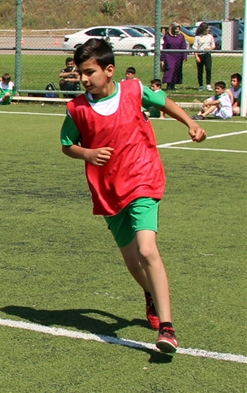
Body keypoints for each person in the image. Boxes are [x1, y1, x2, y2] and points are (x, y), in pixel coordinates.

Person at [60, 39, 206, 354]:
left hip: (142, 179)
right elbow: (66, 144)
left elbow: (164, 101)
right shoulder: (77, 109)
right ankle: (151, 293)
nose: (84, 79)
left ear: (109, 70)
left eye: (90, 72)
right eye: (80, 73)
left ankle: (167, 328)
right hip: (108, 191)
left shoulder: (134, 90)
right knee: (131, 260)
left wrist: (191, 123)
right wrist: (88, 152)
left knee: (146, 249)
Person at [161, 22, 188, 91]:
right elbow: (164, 47)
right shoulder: (167, 36)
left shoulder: (181, 36)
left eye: (178, 29)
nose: (177, 30)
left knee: (176, 70)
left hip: (178, 56)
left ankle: (173, 85)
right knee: (170, 68)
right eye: (176, 28)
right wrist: (162, 58)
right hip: (169, 55)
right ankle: (168, 84)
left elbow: (183, 46)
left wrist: (185, 56)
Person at [193, 23, 215, 92]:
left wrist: (209, 49)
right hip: (200, 55)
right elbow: (195, 48)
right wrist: (197, 57)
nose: (208, 30)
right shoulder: (197, 37)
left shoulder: (210, 36)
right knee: (200, 71)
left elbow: (213, 46)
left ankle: (208, 84)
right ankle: (201, 85)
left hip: (207, 55)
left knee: (208, 69)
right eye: (207, 28)